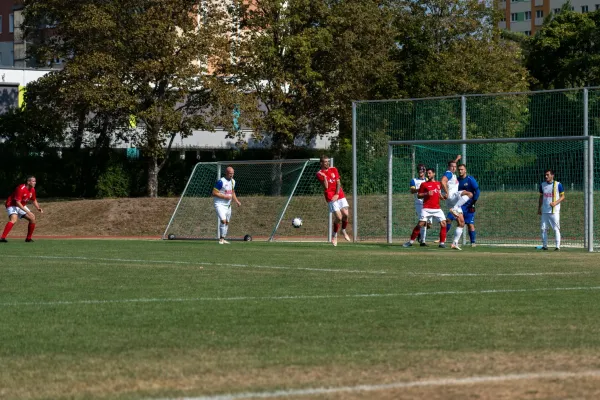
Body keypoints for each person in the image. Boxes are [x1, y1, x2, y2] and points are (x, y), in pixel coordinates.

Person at [403, 168, 448, 248]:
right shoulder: (424, 184)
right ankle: (410, 242)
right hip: (426, 208)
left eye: (430, 173)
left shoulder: (438, 184)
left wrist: (443, 197)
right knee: (420, 224)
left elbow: (438, 194)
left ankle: (441, 243)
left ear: (434, 174)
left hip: (437, 208)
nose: (428, 174)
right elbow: (419, 195)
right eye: (427, 173)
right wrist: (426, 193)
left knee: (444, 224)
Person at [316, 155, 351, 246]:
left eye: (328, 161)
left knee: (346, 214)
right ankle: (334, 235)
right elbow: (326, 187)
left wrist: (337, 194)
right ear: (321, 163)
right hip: (330, 197)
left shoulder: (334, 169)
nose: (327, 163)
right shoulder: (319, 174)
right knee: (339, 217)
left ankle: (343, 230)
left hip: (339, 194)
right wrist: (324, 178)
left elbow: (338, 182)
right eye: (325, 162)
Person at [446, 164, 480, 249]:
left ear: (465, 170)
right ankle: (442, 238)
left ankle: (473, 242)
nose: (460, 171)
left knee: (470, 224)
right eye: (459, 169)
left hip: (468, 206)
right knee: (448, 219)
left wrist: (473, 203)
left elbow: (477, 191)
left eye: (462, 169)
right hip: (458, 205)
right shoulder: (456, 180)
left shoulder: (470, 179)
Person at [1, 176, 44, 243]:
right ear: (28, 182)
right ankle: (2, 238)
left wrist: (38, 207)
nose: (35, 183)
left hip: (21, 205)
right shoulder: (20, 188)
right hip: (12, 204)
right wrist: (28, 212)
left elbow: (33, 199)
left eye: (35, 181)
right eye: (33, 181)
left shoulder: (32, 189)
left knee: (32, 218)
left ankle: (28, 239)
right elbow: (17, 203)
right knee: (13, 219)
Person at [212, 166, 241, 244]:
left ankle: (223, 238)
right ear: (226, 173)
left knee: (227, 222)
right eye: (230, 173)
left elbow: (232, 192)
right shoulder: (221, 181)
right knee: (223, 221)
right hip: (219, 204)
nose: (231, 175)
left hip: (228, 206)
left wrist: (237, 201)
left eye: (233, 173)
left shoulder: (233, 181)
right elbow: (214, 193)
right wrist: (225, 196)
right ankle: (221, 240)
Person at [538, 169, 564, 251]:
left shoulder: (558, 184)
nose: (546, 176)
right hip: (545, 210)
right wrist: (539, 208)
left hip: (554, 211)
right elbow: (541, 197)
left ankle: (557, 247)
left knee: (556, 228)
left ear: (552, 175)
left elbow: (563, 196)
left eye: (548, 175)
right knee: (543, 228)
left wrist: (555, 203)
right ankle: (545, 246)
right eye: (545, 175)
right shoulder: (542, 185)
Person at [409, 163, 432, 246]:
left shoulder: (427, 180)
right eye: (419, 170)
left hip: (428, 204)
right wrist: (420, 189)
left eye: (422, 170)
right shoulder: (414, 180)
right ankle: (423, 241)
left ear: (425, 171)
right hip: (419, 204)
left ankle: (418, 233)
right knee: (424, 222)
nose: (420, 172)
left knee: (429, 224)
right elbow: (412, 191)